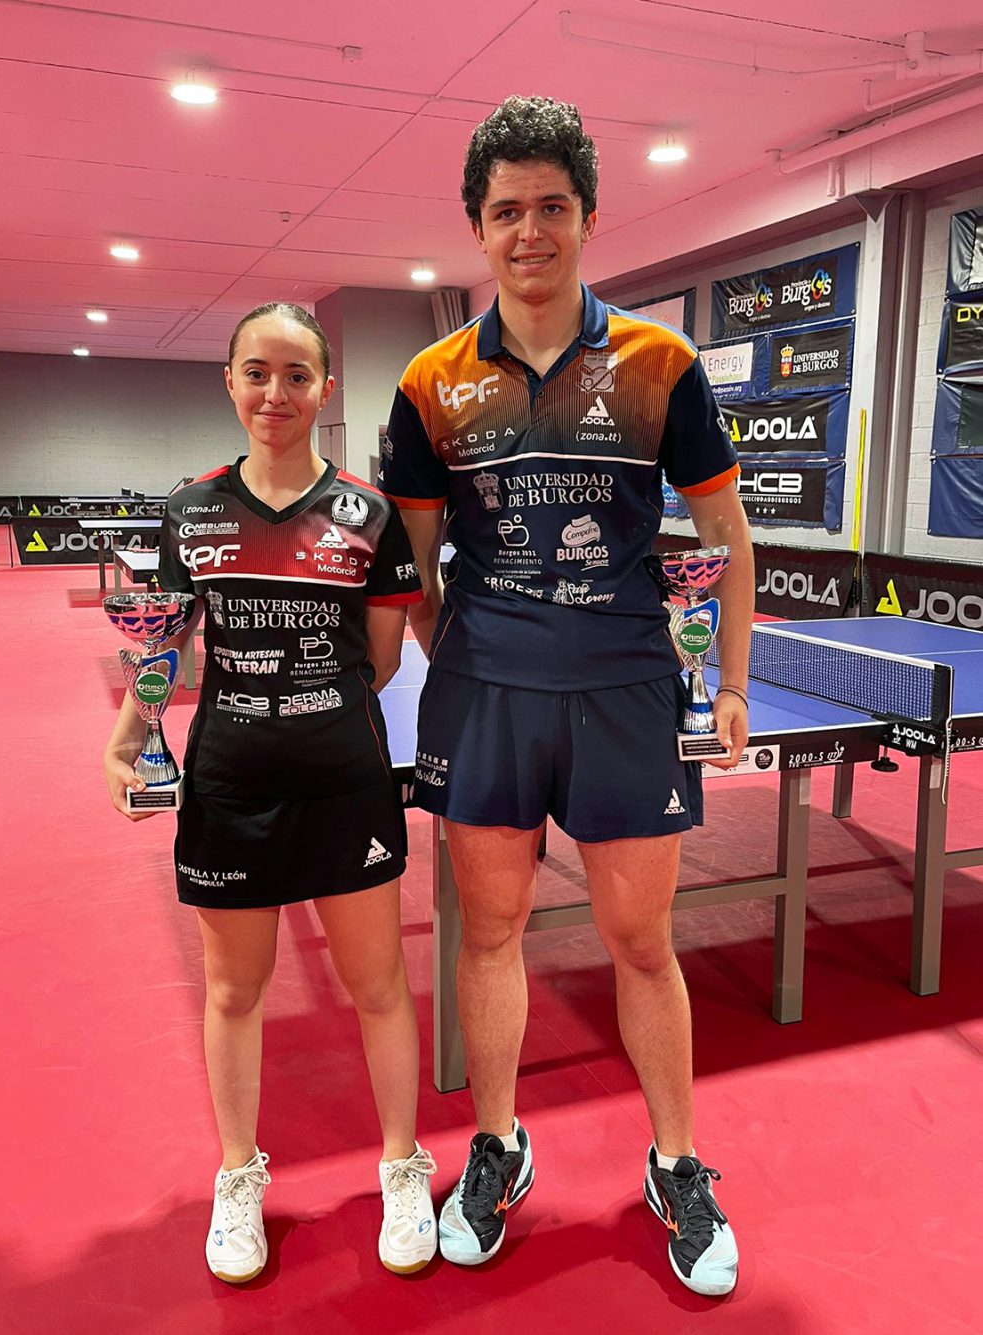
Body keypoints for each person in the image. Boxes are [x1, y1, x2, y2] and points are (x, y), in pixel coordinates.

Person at [379, 97, 753, 1296]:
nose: (529, 230)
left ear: (588, 216)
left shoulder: (661, 365)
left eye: (551, 206)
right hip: (487, 697)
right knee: (487, 934)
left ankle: (676, 1163)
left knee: (642, 941)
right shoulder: (429, 383)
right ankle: (497, 1147)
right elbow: (418, 569)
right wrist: (475, 657)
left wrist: (730, 682)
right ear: (477, 230)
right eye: (506, 212)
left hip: (631, 692)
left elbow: (725, 535)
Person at [104, 302, 437, 1281]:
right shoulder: (190, 511)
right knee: (233, 990)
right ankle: (239, 1175)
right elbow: (163, 648)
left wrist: (309, 708)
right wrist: (126, 740)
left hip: (345, 785)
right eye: (257, 372)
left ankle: (402, 1166)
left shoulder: (368, 515)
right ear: (231, 382)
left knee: (379, 985)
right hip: (229, 784)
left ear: (325, 388)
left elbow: (380, 662)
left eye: (297, 375)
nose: (275, 393)